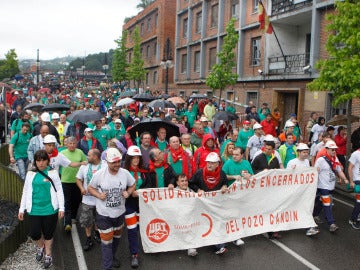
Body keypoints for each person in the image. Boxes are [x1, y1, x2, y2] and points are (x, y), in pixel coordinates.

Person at [88, 148, 136, 270]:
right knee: (106, 243)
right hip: (104, 214)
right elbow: (90, 188)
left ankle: (112, 256)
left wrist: (129, 192)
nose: (116, 164)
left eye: (118, 161)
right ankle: (107, 266)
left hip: (119, 213)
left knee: (116, 238)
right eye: (113, 162)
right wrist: (98, 195)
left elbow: (133, 183)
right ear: (107, 162)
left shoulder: (125, 173)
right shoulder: (99, 174)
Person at [18, 150, 64, 269]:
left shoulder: (53, 173)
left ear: (48, 161)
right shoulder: (30, 174)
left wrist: (61, 208)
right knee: (34, 233)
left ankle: (48, 254)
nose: (41, 163)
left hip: (50, 209)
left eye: (43, 160)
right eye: (38, 160)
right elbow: (25, 191)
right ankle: (41, 246)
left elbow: (59, 190)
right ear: (35, 162)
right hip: (34, 209)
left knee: (48, 234)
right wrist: (21, 209)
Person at [189, 152, 228, 255]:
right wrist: (198, 189)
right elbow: (191, 183)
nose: (209, 165)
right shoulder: (199, 173)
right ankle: (193, 246)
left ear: (217, 164)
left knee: (216, 224)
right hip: (202, 205)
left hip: (215, 205)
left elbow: (225, 182)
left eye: (212, 163)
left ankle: (220, 246)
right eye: (208, 162)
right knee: (199, 224)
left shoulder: (222, 174)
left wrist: (224, 186)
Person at [123, 146, 151, 268]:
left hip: (142, 205)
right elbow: (120, 187)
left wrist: (140, 192)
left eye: (137, 158)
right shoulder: (123, 172)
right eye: (133, 158)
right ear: (129, 158)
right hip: (128, 205)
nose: (136, 160)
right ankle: (134, 254)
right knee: (132, 229)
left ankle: (138, 246)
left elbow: (149, 185)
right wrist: (129, 193)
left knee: (140, 228)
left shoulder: (144, 171)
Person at [313, 140, 349, 232]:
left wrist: (345, 179)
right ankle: (331, 223)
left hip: (330, 186)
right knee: (327, 203)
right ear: (327, 149)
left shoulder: (335, 159)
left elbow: (339, 171)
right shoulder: (321, 160)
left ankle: (314, 214)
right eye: (332, 150)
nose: (334, 151)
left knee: (322, 201)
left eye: (335, 150)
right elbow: (315, 171)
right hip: (322, 186)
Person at [286, 143, 320, 236]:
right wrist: (291, 170)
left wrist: (314, 170)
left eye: (307, 152)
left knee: (306, 208)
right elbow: (286, 177)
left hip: (304, 191)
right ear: (298, 152)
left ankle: (309, 227)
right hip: (294, 191)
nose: (306, 154)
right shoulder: (292, 162)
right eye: (304, 152)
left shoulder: (306, 162)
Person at [251, 140, 281, 239]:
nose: (267, 150)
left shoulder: (275, 159)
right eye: (266, 148)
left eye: (269, 149)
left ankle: (271, 231)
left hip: (271, 188)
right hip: (260, 187)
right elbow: (252, 170)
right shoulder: (259, 158)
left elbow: (277, 171)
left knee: (271, 208)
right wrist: (261, 171)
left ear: (273, 150)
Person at [76, 149, 105, 251]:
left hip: (101, 199)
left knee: (99, 219)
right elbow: (78, 179)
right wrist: (81, 188)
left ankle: (96, 233)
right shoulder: (84, 166)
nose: (87, 157)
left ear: (96, 157)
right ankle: (88, 238)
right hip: (87, 199)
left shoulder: (105, 166)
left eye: (89, 155)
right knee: (87, 220)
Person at [61, 136, 88, 231]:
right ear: (66, 144)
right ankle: (67, 223)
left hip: (78, 181)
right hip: (65, 181)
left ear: (76, 144)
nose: (72, 145)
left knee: (77, 200)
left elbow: (85, 163)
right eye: (70, 143)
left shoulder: (80, 152)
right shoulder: (62, 153)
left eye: (74, 143)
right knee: (67, 201)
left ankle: (73, 216)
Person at [175, 174, 199, 257]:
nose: (184, 183)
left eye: (186, 181)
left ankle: (191, 247)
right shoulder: (172, 193)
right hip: (177, 217)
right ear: (177, 183)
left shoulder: (192, 192)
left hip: (189, 217)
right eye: (182, 181)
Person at [347, 147, 360, 229]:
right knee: (359, 201)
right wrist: (351, 181)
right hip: (358, 180)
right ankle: (353, 219)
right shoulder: (356, 154)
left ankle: (357, 216)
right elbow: (350, 168)